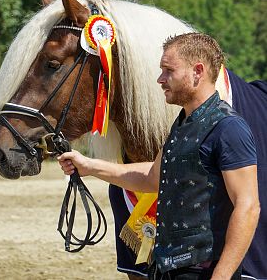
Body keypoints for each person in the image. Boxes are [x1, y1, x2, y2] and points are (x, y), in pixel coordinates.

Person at [58, 33, 260, 280]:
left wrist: (221, 277)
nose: (160, 79)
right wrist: (89, 166)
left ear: (198, 71)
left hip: (203, 271)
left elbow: (248, 207)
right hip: (169, 270)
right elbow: (153, 177)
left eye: (168, 70)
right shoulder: (182, 125)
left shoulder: (228, 128)